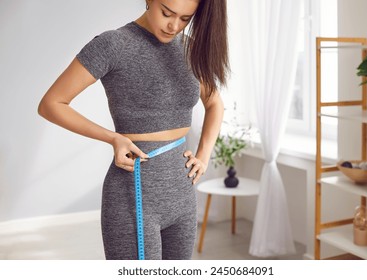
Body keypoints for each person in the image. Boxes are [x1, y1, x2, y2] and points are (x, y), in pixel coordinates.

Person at [38, 0, 229, 260]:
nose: (174, 25)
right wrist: (113, 138)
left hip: (182, 195)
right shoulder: (113, 44)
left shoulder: (189, 48)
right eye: (166, 13)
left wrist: (204, 155)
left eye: (185, 19)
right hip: (133, 195)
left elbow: (215, 102)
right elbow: (51, 104)